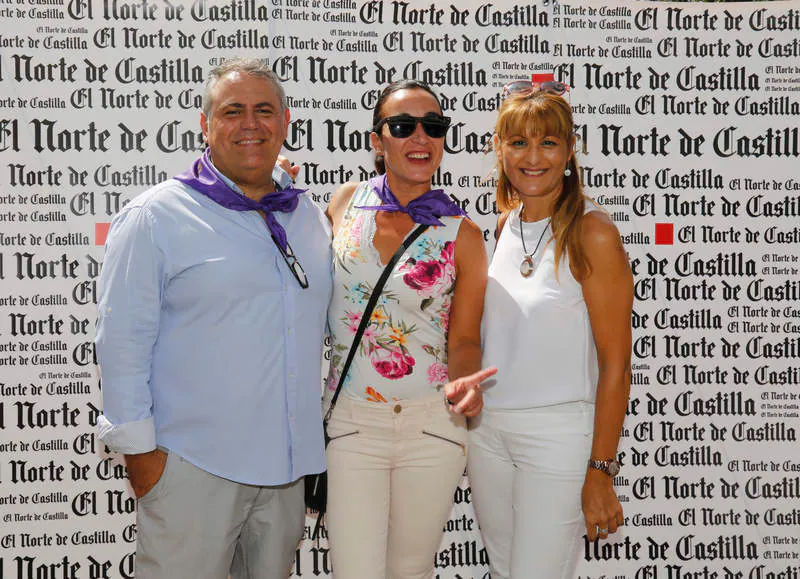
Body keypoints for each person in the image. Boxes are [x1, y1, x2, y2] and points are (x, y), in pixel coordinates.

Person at [95, 57, 333, 579]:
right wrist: (143, 459)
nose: (251, 123)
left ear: (286, 123)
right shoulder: (155, 217)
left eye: (264, 110)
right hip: (192, 467)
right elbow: (121, 343)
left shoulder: (310, 217)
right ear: (206, 125)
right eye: (233, 111)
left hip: (286, 474)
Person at [322, 79, 496, 579]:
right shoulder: (344, 204)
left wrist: (465, 383)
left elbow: (463, 339)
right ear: (378, 141)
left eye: (434, 126)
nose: (421, 137)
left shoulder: (462, 233)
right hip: (353, 424)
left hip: (431, 426)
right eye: (403, 126)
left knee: (411, 572)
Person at [468, 82, 634, 579]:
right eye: (518, 142)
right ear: (500, 149)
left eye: (548, 142)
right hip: (488, 436)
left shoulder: (593, 232)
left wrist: (601, 471)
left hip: (559, 438)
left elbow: (616, 364)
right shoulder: (503, 227)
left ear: (569, 150)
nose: (533, 156)